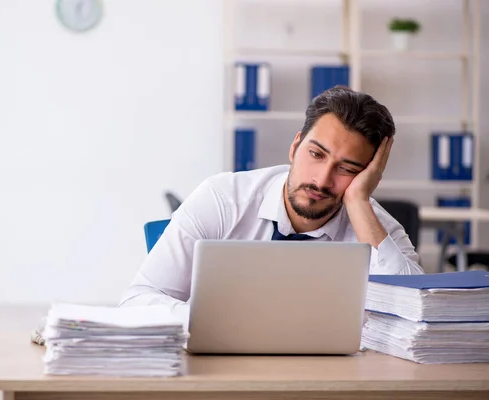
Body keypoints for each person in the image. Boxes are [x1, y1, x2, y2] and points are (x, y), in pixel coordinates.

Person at [119, 86, 424, 324]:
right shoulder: (223, 199)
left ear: (367, 176)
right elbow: (138, 301)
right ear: (295, 146)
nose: (321, 180)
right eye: (316, 154)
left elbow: (420, 316)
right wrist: (217, 323)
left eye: (346, 169)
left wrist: (358, 202)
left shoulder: (373, 225)